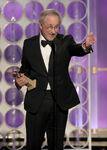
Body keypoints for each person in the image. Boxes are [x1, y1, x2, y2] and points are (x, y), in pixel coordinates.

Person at [14, 9, 96, 150]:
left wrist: (85, 46)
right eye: (49, 27)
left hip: (59, 101)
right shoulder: (29, 44)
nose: (53, 31)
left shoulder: (65, 41)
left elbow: (77, 49)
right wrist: (19, 79)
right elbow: (24, 69)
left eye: (56, 27)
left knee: (56, 146)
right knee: (33, 144)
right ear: (40, 25)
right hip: (37, 100)